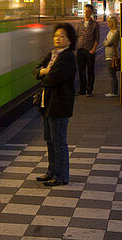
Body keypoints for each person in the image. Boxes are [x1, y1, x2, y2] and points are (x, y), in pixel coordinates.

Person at [35, 23, 77, 187]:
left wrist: (43, 73)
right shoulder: (52, 54)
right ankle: (51, 172)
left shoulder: (67, 57)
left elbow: (53, 78)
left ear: (69, 39)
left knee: (58, 140)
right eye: (56, 35)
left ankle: (61, 176)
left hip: (59, 104)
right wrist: (42, 72)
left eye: (62, 36)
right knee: (49, 140)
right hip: (48, 104)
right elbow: (35, 70)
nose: (58, 39)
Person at [74, 4, 100, 96]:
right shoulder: (79, 24)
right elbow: (75, 36)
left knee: (90, 70)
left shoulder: (95, 24)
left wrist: (93, 49)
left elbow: (97, 38)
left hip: (89, 50)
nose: (86, 13)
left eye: (88, 11)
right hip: (80, 49)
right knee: (81, 71)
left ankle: (89, 90)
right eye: (85, 10)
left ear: (91, 12)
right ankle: (82, 89)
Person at [103, 15, 120, 98]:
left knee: (112, 75)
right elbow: (104, 42)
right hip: (107, 55)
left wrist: (106, 43)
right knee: (111, 74)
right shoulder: (110, 32)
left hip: (112, 55)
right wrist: (106, 42)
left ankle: (114, 92)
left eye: (109, 22)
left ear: (112, 23)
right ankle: (114, 91)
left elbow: (108, 42)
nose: (108, 23)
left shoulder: (116, 32)